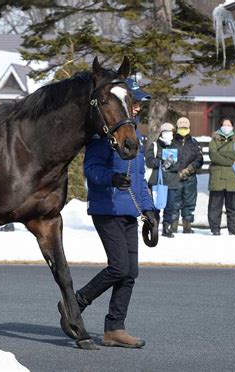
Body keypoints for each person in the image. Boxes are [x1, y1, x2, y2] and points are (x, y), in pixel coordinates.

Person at [62, 78, 156, 348]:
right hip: (107, 208)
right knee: (118, 267)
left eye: (139, 103)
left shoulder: (135, 136)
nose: (137, 107)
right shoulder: (103, 136)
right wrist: (111, 179)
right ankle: (74, 303)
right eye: (134, 102)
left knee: (130, 272)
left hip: (130, 211)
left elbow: (140, 178)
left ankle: (114, 328)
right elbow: (90, 170)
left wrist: (149, 211)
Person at [208, 118, 235, 235]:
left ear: (232, 127)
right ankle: (215, 229)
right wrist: (231, 160)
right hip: (217, 178)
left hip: (233, 178)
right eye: (224, 124)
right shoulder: (214, 139)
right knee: (215, 206)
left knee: (233, 207)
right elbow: (213, 156)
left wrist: (221, 153)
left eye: (229, 124)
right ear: (220, 126)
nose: (226, 127)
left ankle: (232, 230)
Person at [145, 122, 179, 238]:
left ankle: (167, 228)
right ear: (161, 133)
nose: (168, 134)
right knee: (155, 206)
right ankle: (153, 227)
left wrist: (170, 164)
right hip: (156, 181)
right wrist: (161, 162)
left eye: (170, 132)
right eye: (166, 132)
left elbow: (181, 163)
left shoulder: (176, 146)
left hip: (172, 182)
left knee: (170, 207)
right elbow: (149, 161)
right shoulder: (154, 146)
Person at [171, 117, 203, 233]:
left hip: (190, 177)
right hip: (175, 177)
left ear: (189, 128)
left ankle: (187, 226)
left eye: (185, 127)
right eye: (181, 127)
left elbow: (199, 159)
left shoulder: (194, 143)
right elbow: (167, 159)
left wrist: (189, 169)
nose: (183, 129)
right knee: (174, 202)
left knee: (189, 203)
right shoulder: (172, 142)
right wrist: (177, 171)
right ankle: (173, 226)